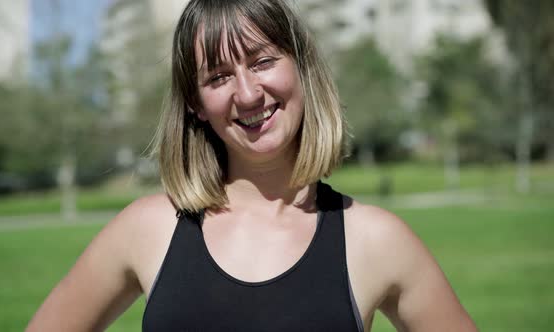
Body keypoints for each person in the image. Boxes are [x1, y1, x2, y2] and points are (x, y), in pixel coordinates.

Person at [27, 0, 478, 331]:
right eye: (218, 76)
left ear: (301, 68)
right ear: (195, 103)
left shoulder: (378, 240)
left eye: (262, 61)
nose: (246, 94)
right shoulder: (146, 230)